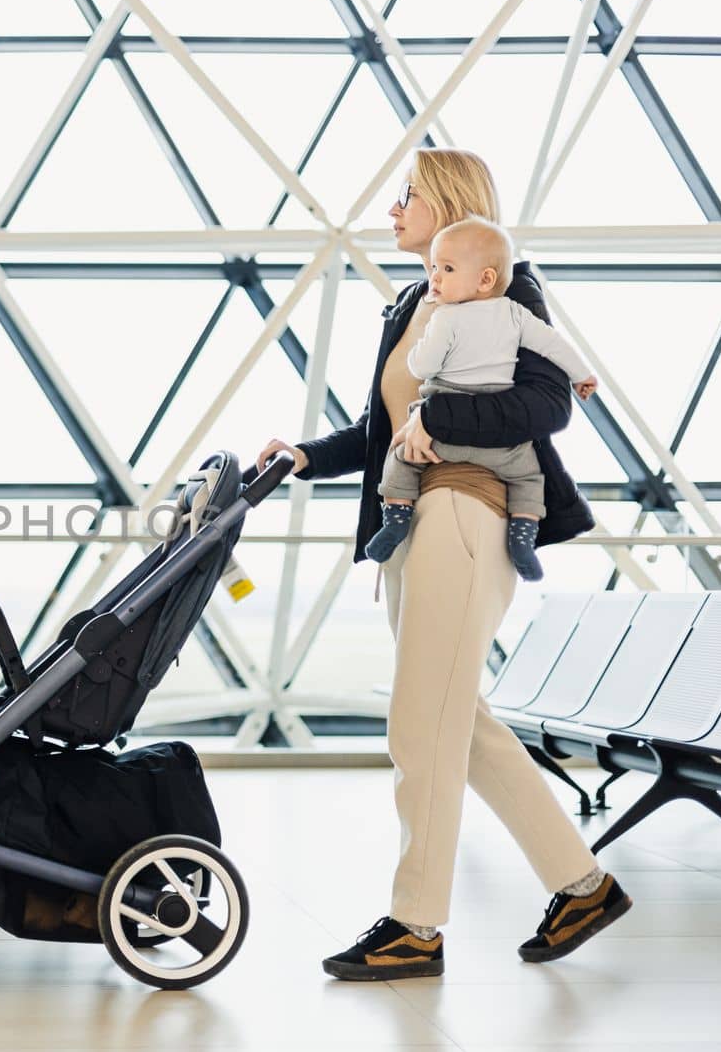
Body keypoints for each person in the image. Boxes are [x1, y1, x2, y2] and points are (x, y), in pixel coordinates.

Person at [256, 148, 631, 982]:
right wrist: (303, 456)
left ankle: (415, 924)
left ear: (450, 204)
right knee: (459, 722)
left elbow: (545, 404)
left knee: (419, 723)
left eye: (407, 197)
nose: (393, 211)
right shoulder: (413, 303)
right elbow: (380, 430)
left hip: (467, 509)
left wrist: (440, 412)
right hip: (414, 520)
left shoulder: (504, 287)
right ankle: (584, 885)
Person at [365, 216, 600, 582]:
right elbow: (554, 346)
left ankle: (396, 518)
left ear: (485, 279)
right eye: (434, 268)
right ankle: (523, 534)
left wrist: (423, 342)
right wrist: (582, 376)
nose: (435, 277)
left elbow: (422, 365)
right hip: (501, 443)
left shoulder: (446, 318)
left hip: (441, 430)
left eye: (446, 268)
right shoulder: (515, 313)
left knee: (400, 460)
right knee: (529, 478)